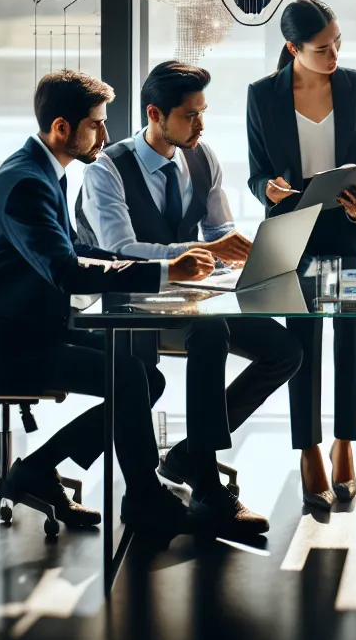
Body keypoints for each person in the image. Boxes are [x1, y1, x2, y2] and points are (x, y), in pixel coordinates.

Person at [0, 70, 263, 539]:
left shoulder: (41, 171)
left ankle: (37, 468)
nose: (107, 135)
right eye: (96, 124)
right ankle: (144, 500)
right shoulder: (27, 184)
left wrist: (148, 264)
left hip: (29, 326)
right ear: (61, 129)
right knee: (130, 376)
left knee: (143, 377)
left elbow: (74, 251)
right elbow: (66, 272)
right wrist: (164, 270)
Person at [77, 60, 303, 511]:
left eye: (203, 112)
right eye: (190, 115)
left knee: (285, 351)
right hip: (128, 304)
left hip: (191, 299)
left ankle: (186, 454)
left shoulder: (204, 156)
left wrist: (238, 252)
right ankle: (205, 477)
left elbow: (218, 229)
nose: (200, 124)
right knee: (210, 331)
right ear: (155, 115)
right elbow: (119, 250)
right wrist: (196, 254)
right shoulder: (106, 169)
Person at [246, 0, 356, 512]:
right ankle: (309, 449)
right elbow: (257, 172)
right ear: (293, 48)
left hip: (347, 226)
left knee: (352, 337)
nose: (334, 54)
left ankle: (345, 442)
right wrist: (268, 190)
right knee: (302, 344)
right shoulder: (263, 95)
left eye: (338, 42)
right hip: (293, 232)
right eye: (323, 48)